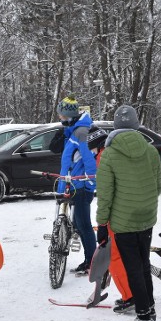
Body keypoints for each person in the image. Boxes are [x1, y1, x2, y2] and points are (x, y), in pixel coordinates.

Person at [95, 105, 161, 321]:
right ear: (136, 125)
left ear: (115, 127)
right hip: (147, 217)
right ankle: (149, 311)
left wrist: (102, 224)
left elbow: (105, 194)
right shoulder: (151, 151)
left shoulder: (110, 154)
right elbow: (157, 187)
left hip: (123, 221)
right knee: (143, 265)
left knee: (133, 268)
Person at [88, 126, 133, 314]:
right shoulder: (122, 153)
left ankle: (129, 296)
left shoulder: (103, 158)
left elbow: (106, 195)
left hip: (118, 213)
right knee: (132, 255)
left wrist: (103, 223)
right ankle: (138, 292)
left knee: (115, 256)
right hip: (135, 209)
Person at [56, 96, 98, 275]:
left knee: (84, 226)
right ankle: (90, 259)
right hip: (74, 185)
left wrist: (89, 182)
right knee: (78, 224)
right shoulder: (75, 130)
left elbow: (89, 161)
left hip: (81, 187)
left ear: (69, 115)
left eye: (62, 116)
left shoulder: (81, 132)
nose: (60, 119)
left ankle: (92, 262)